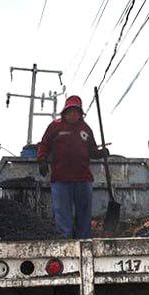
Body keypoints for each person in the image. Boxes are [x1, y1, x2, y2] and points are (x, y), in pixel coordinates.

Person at [36, 95, 109, 239]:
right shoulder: (55, 126)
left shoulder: (86, 129)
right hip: (60, 179)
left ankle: (84, 242)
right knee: (63, 215)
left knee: (84, 214)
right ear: (65, 112)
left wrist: (101, 153)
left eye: (77, 111)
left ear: (81, 114)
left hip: (83, 179)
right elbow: (43, 144)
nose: (73, 114)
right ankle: (65, 243)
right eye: (71, 111)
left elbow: (92, 151)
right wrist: (42, 160)